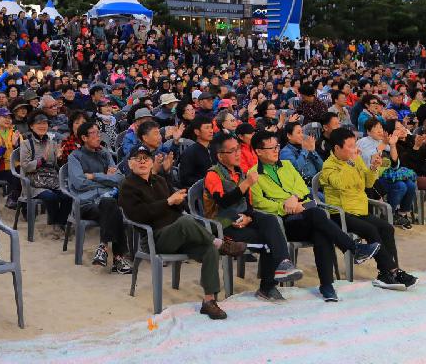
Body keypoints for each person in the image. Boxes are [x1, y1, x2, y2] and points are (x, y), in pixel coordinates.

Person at [249, 129, 382, 302]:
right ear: (258, 151)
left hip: (301, 215)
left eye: (277, 147)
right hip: (281, 223)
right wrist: (284, 206)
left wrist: (294, 199)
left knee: (320, 229)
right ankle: (352, 250)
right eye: (271, 148)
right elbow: (259, 203)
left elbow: (304, 189)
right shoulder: (253, 174)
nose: (276, 151)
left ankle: (327, 285)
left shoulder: (287, 166)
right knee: (317, 215)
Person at [118, 147, 245, 320]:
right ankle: (221, 243)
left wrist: (178, 200)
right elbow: (137, 215)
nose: (142, 162)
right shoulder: (127, 186)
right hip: (155, 238)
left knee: (209, 249)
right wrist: (168, 202)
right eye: (137, 158)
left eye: (146, 158)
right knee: (186, 222)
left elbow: (179, 207)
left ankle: (209, 301)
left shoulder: (160, 180)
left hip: (179, 233)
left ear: (152, 161)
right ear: (129, 163)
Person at [203, 132, 302, 301]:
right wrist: (247, 183)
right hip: (224, 224)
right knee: (268, 239)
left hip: (243, 220)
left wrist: (249, 217)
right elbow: (223, 202)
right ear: (220, 155)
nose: (237, 154)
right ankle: (267, 287)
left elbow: (249, 205)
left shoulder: (240, 172)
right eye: (232, 151)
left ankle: (283, 263)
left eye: (238, 149)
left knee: (270, 220)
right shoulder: (213, 174)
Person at [318, 128, 417, 291]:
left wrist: (373, 168)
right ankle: (391, 271)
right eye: (349, 146)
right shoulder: (329, 166)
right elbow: (340, 183)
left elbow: (368, 183)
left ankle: (390, 272)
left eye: (354, 145)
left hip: (360, 210)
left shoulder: (355, 160)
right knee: (371, 230)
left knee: (386, 228)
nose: (354, 150)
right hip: (340, 214)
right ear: (337, 148)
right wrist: (349, 163)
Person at [66, 120, 132, 273]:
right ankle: (118, 258)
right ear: (84, 138)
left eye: (99, 133)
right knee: (113, 209)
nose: (98, 137)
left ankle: (103, 248)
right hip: (86, 203)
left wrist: (94, 176)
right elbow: (79, 183)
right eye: (94, 133)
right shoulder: (75, 157)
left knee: (110, 205)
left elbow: (119, 178)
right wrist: (105, 181)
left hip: (106, 201)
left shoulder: (104, 153)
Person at [18, 111, 72, 239]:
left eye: (45, 123)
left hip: (51, 180)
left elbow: (56, 167)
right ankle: (53, 224)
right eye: (39, 123)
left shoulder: (52, 143)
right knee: (51, 196)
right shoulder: (26, 143)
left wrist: (59, 158)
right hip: (33, 182)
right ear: (31, 126)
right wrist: (42, 160)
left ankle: (59, 223)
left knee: (68, 196)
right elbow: (25, 166)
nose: (43, 126)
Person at [176, 115, 217, 189]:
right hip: (202, 190)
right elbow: (185, 179)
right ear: (197, 132)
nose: (211, 131)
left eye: (211, 127)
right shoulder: (189, 153)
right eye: (207, 128)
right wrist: (207, 181)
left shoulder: (215, 148)